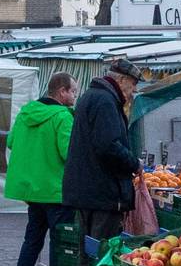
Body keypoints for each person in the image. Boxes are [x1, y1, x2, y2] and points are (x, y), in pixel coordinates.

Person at [4, 73, 77, 266]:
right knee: (59, 245)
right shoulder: (63, 116)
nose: (75, 96)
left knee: (32, 241)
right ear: (62, 91)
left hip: (32, 191)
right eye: (73, 91)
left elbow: (11, 142)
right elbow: (68, 152)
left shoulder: (26, 113)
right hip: (56, 191)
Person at [59, 58, 144, 242]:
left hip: (87, 191)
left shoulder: (92, 96)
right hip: (102, 193)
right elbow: (108, 146)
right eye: (133, 83)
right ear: (122, 79)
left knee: (86, 248)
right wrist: (134, 163)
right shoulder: (105, 101)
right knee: (101, 248)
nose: (134, 90)